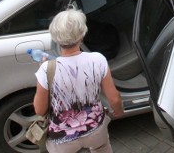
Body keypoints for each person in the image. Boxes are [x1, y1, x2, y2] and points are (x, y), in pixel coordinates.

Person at [34, 8, 123, 153]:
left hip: (62, 139)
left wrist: (44, 69)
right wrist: (118, 111)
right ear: (82, 35)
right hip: (95, 130)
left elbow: (39, 109)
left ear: (56, 38)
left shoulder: (47, 69)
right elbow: (114, 98)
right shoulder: (97, 59)